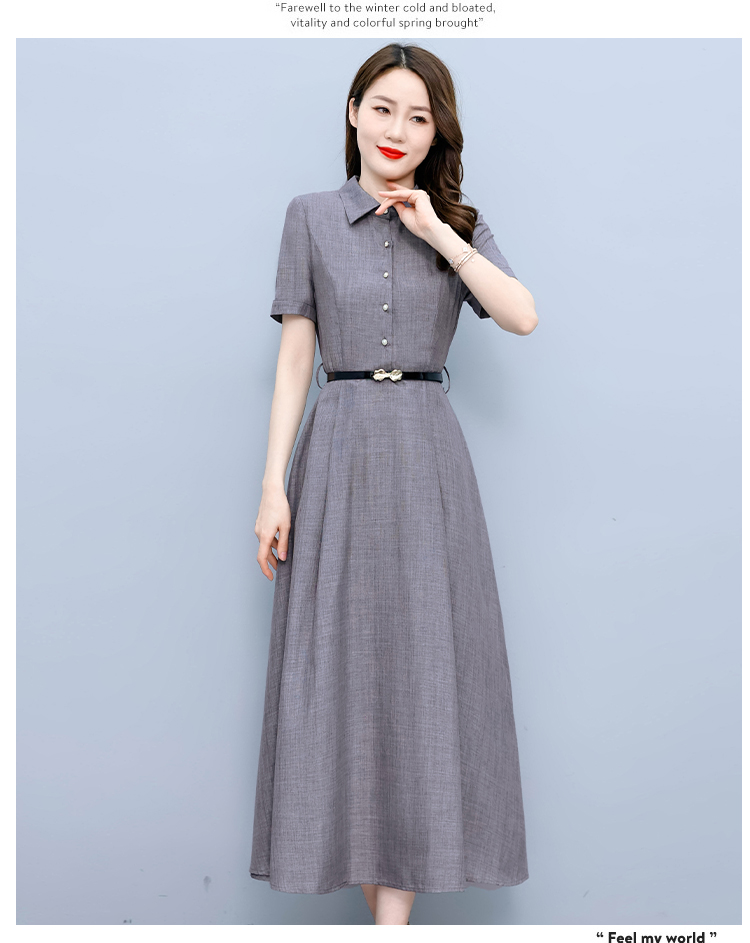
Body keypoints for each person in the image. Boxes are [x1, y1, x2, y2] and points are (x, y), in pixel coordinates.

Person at [249, 43, 537, 926]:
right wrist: (272, 486)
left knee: (419, 670)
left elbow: (522, 315)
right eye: (383, 108)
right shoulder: (308, 216)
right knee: (346, 673)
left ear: (435, 132)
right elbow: (294, 361)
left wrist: (437, 232)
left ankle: (391, 926)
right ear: (353, 112)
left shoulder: (458, 223)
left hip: (426, 455)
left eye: (419, 117)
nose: (398, 130)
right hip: (336, 449)